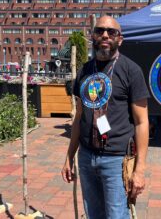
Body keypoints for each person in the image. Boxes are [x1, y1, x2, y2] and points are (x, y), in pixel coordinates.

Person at [61, 15, 149, 218]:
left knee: (116, 215)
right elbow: (80, 116)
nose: (105, 35)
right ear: (92, 36)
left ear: (120, 39)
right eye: (100, 30)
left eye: (112, 32)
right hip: (86, 157)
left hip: (116, 160)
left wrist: (140, 170)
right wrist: (69, 157)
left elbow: (142, 122)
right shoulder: (85, 70)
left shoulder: (131, 70)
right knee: (93, 214)